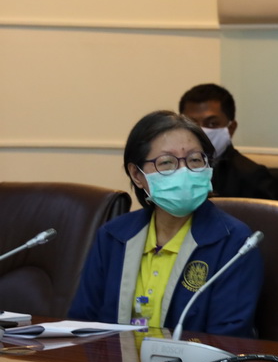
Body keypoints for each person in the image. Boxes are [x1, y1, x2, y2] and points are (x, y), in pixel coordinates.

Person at [69, 110, 263, 338]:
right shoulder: (113, 236)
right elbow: (83, 324)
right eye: (167, 162)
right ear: (137, 175)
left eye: (195, 160)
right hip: (115, 361)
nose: (184, 172)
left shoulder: (235, 242)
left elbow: (228, 339)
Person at [179, 83, 276, 199]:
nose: (200, 131)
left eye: (212, 124)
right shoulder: (171, 169)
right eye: (191, 123)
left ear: (231, 128)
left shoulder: (251, 175)